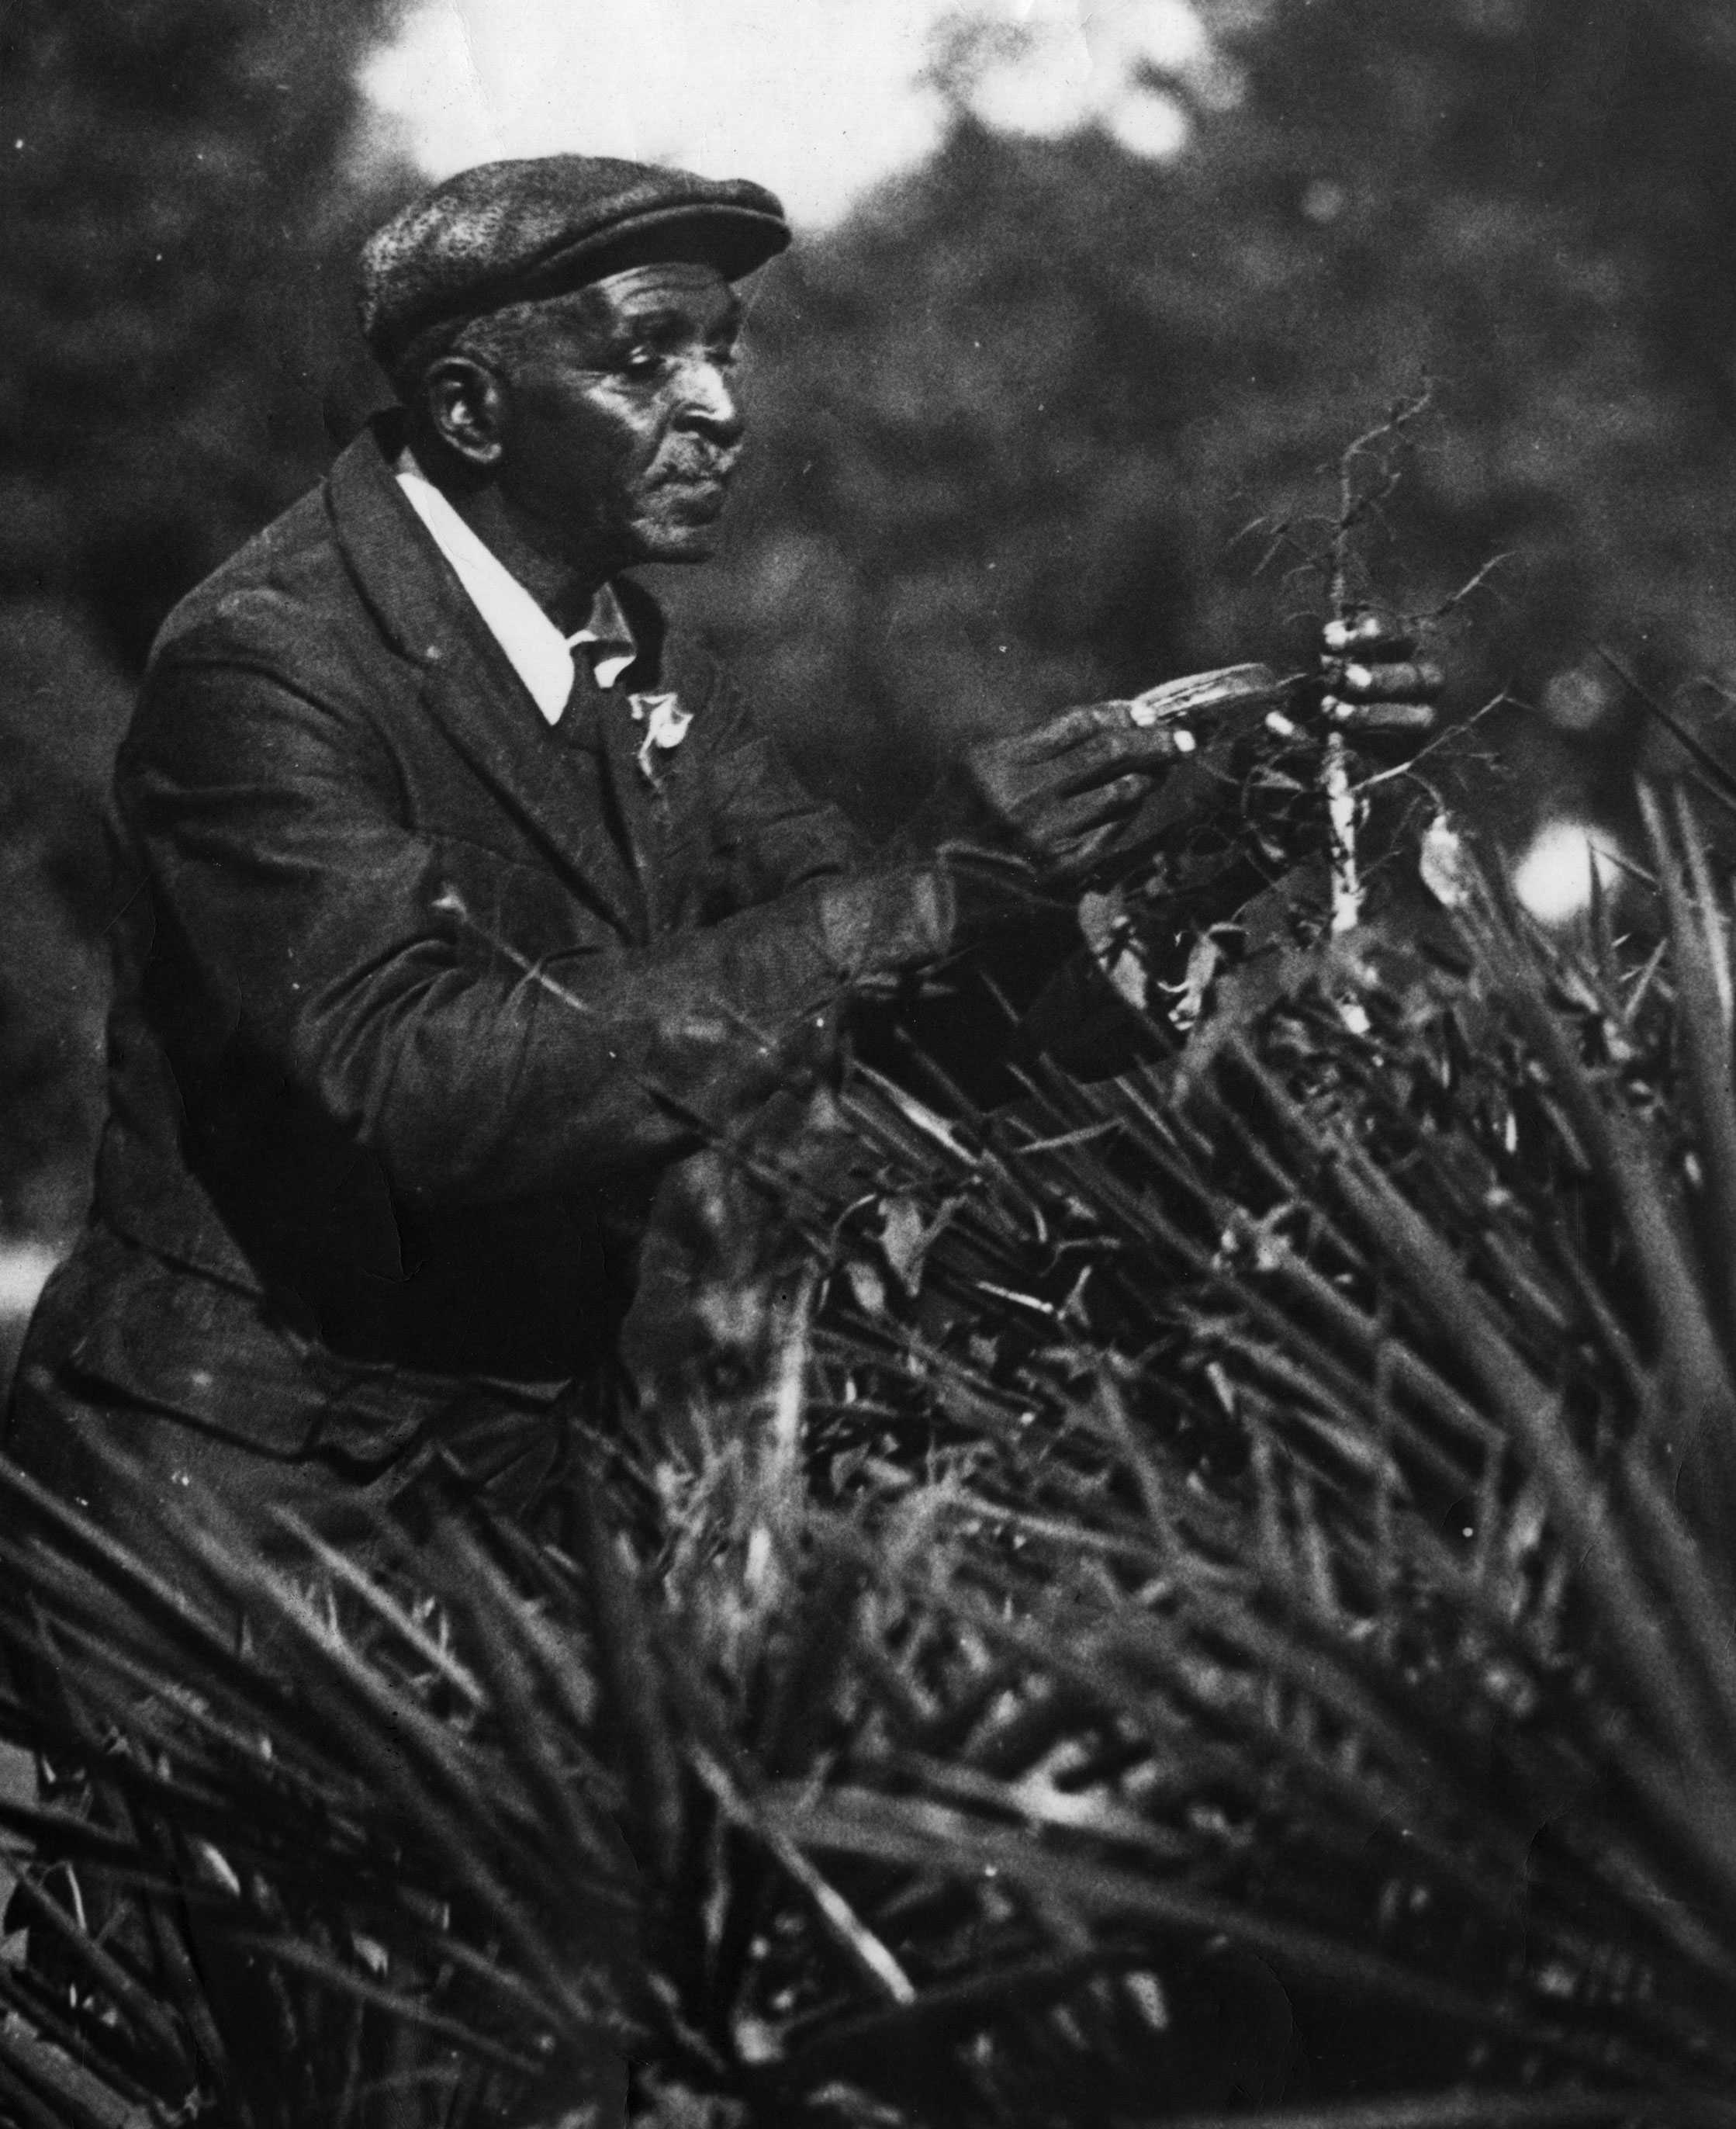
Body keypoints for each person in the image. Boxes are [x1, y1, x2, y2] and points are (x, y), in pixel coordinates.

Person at [2, 154, 1231, 1555]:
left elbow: (881, 1024)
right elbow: (423, 1090)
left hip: (508, 1497)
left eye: (721, 352)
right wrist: (922, 891)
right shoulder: (266, 665)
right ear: (469, 408)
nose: (722, 409)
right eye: (648, 361)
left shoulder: (642, 665)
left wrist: (1206, 846)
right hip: (233, 1524)